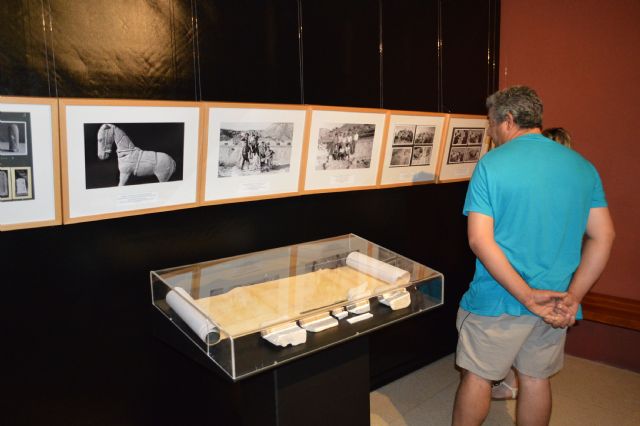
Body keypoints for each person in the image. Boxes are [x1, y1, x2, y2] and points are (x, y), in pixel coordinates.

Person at [452, 86, 615, 426]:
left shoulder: (492, 165)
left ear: (507, 121)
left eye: (491, 125)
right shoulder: (582, 166)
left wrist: (527, 296)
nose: (491, 133)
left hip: (497, 301)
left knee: (478, 378)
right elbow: (604, 236)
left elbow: (480, 241)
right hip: (556, 300)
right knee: (536, 379)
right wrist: (573, 298)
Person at [491, 124, 573, 400]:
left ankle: (511, 382)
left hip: (523, 286)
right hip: (556, 285)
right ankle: (513, 382)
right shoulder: (573, 180)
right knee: (536, 372)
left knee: (486, 368)